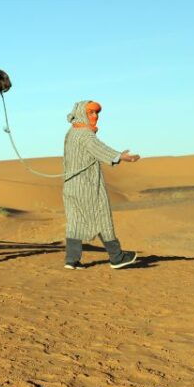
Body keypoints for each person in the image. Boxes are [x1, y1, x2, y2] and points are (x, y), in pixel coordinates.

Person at [63, 100, 140, 269]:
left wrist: (117, 155)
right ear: (82, 114)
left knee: (75, 221)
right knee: (101, 217)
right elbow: (99, 149)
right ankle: (117, 257)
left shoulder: (71, 132)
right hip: (87, 186)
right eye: (91, 112)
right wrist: (121, 156)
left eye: (96, 113)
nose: (95, 116)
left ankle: (71, 260)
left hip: (71, 186)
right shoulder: (85, 134)